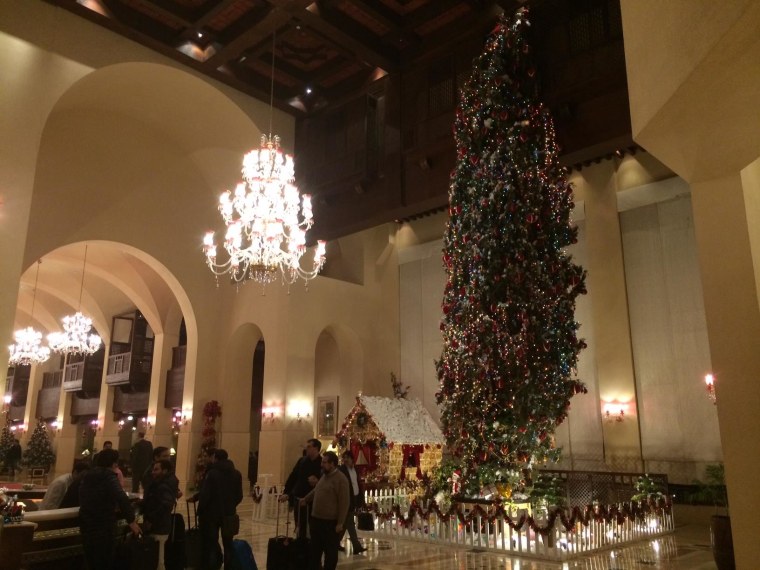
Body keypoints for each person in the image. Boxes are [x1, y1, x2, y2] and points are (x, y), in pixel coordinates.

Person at [78, 448, 141, 569]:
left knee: (91, 559)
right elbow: (121, 497)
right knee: (104, 560)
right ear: (114, 463)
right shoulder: (108, 476)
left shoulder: (87, 475)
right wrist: (131, 521)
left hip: (86, 524)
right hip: (103, 525)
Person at [193, 448, 243, 569]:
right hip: (229, 514)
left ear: (215, 457)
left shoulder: (212, 473)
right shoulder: (236, 473)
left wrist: (200, 511)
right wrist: (230, 505)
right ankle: (229, 566)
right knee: (228, 544)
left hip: (211, 515)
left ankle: (212, 566)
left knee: (211, 543)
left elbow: (206, 494)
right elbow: (239, 495)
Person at [299, 451, 349, 570]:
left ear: (332, 464)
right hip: (316, 521)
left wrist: (340, 523)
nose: (321, 464)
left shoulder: (341, 480)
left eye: (324, 462)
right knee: (315, 552)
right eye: (322, 461)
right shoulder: (324, 476)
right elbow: (316, 490)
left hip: (330, 524)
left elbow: (344, 502)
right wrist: (306, 499)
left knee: (330, 553)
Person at [280, 438, 322, 538]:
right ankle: (301, 547)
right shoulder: (302, 461)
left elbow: (326, 480)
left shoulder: (322, 463)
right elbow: (293, 477)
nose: (306, 449)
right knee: (299, 526)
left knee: (313, 528)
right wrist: (287, 493)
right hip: (299, 499)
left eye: (309, 447)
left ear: (316, 448)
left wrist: (318, 481)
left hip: (314, 502)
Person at [141, 459, 176, 570]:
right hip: (159, 525)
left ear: (164, 471)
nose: (153, 472)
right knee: (157, 558)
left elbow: (166, 505)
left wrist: (151, 519)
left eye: (156, 469)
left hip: (159, 526)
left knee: (159, 561)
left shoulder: (162, 486)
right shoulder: (160, 484)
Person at [338, 451, 367, 554]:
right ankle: (356, 546)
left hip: (354, 497)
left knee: (346, 523)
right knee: (350, 523)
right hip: (346, 499)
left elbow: (357, 484)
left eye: (347, 458)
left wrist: (360, 500)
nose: (345, 460)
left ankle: (335, 543)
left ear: (351, 458)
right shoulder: (341, 470)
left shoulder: (355, 470)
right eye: (344, 457)